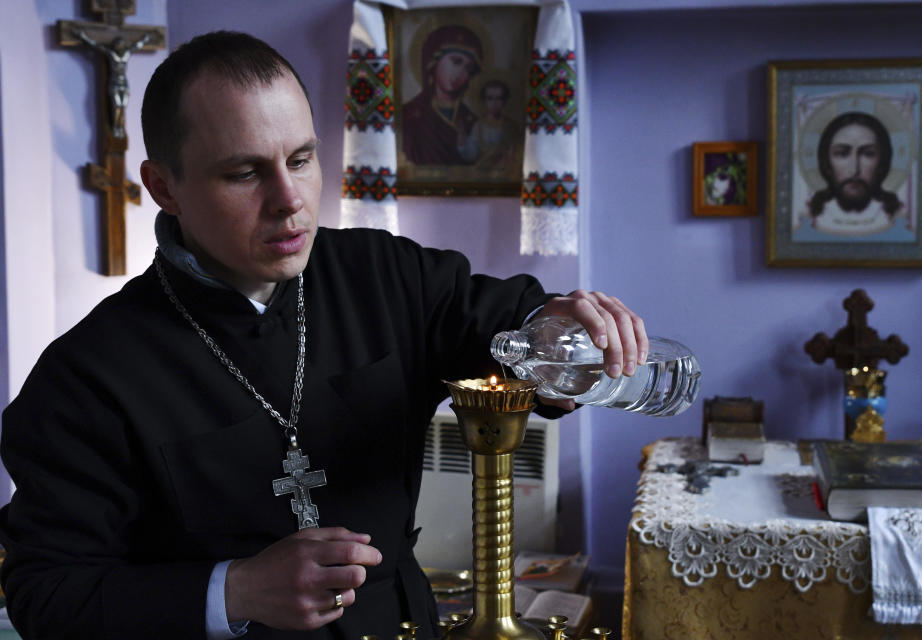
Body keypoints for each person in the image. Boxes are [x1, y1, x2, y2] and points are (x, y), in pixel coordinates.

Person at [0, 31, 647, 640]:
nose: (290, 199)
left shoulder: (387, 274)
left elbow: (504, 321)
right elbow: (47, 593)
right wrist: (235, 591)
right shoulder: (86, 374)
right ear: (164, 187)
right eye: (244, 173)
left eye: (302, 159)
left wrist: (559, 331)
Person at [803, 111, 906, 236]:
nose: (854, 169)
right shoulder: (812, 215)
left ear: (882, 162)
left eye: (868, 154)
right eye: (841, 153)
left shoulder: (898, 215)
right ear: (826, 162)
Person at [401, 25, 482, 166]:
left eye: (468, 68)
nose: (460, 73)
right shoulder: (408, 116)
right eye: (456, 61)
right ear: (433, 61)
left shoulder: (472, 121)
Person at [461, 79, 523, 172]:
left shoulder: (511, 126)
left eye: (499, 98)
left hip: (505, 172)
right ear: (484, 101)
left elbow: (517, 152)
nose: (494, 103)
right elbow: (471, 154)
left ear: (504, 101)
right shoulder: (479, 126)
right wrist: (462, 140)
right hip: (483, 172)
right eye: (490, 98)